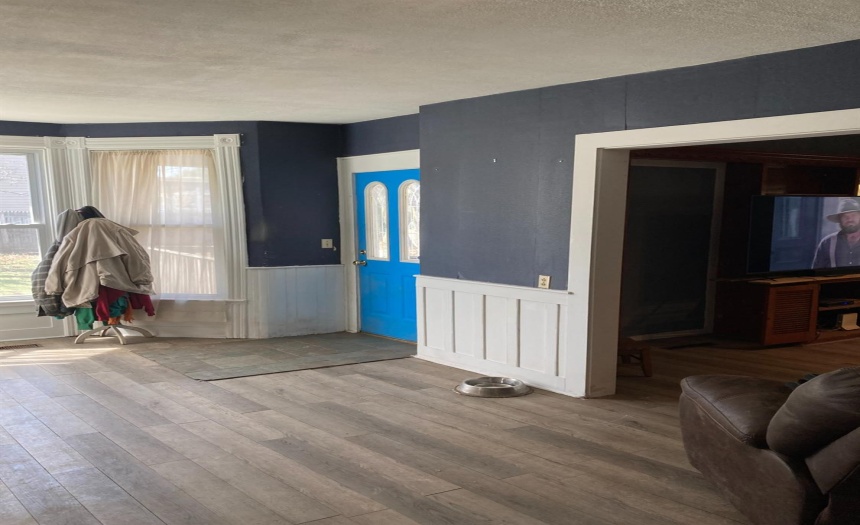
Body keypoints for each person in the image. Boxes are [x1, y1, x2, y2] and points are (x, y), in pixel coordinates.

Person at [812, 198, 860, 269]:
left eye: (853, 215)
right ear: (839, 220)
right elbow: (816, 272)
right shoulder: (827, 243)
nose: (849, 219)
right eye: (845, 216)